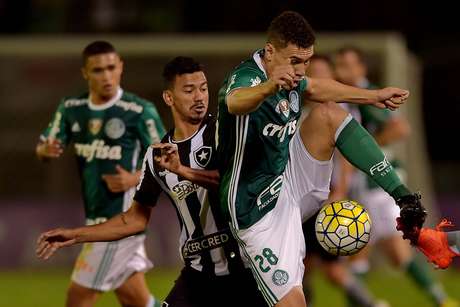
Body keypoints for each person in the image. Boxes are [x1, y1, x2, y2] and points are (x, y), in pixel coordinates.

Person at [216, 11, 426, 307]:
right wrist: (267, 87)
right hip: (255, 210)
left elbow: (315, 87)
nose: (301, 70)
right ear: (270, 51)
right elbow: (235, 102)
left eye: (306, 61)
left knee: (328, 114)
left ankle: (402, 196)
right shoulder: (247, 77)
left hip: (288, 180)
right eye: (294, 61)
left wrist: (374, 95)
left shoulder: (292, 77)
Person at [36, 56, 266, 307]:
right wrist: (76, 235)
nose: (199, 97)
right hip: (198, 272)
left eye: (203, 88)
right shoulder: (156, 155)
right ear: (169, 98)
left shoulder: (224, 131)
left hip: (245, 268)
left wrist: (182, 170)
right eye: (189, 90)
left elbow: (233, 184)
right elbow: (134, 219)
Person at [35, 41, 165, 307]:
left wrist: (133, 179)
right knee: (136, 300)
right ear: (85, 73)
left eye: (111, 68)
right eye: (97, 70)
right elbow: (44, 147)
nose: (106, 76)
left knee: (78, 298)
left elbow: (166, 163)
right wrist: (46, 151)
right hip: (97, 217)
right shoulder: (72, 108)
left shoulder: (139, 111)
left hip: (119, 222)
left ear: (120, 68)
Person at [334, 46, 457, 307]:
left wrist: (362, 150)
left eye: (348, 65)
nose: (343, 71)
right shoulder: (343, 98)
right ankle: (435, 298)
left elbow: (399, 128)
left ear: (361, 68)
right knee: (363, 252)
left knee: (367, 250)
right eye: (339, 65)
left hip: (377, 186)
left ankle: (438, 297)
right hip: (359, 185)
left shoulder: (370, 97)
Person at [301, 54, 386, 307]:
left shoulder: (338, 110)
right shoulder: (295, 108)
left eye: (321, 72)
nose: (316, 77)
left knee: (331, 269)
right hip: (299, 199)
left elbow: (346, 156)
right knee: (299, 267)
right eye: (311, 72)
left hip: (325, 199)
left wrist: (340, 190)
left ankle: (370, 304)